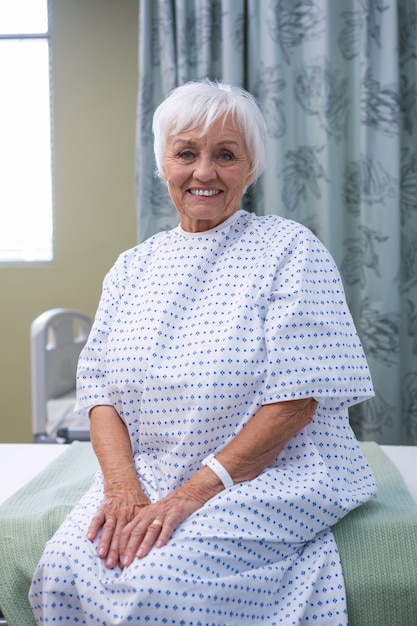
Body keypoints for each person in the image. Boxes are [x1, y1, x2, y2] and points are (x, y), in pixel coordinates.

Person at [29, 80, 376, 625]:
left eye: (226, 155)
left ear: (251, 168)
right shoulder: (132, 267)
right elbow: (99, 397)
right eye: (187, 153)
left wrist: (189, 496)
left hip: (269, 475)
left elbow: (296, 403)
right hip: (148, 471)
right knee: (65, 571)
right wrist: (124, 490)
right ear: (163, 163)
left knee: (153, 587)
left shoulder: (290, 249)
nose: (205, 172)